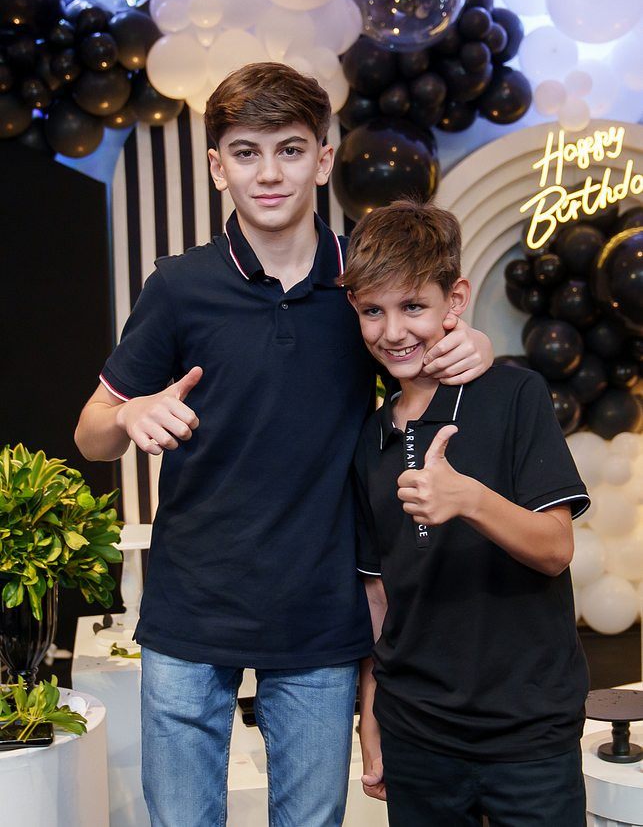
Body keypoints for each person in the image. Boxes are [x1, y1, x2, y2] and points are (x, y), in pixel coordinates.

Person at [74, 63, 493, 827]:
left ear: (323, 158)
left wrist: (475, 344)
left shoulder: (360, 287)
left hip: (319, 613)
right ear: (217, 167)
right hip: (191, 609)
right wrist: (129, 417)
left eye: (290, 149)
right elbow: (90, 431)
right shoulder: (179, 287)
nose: (268, 173)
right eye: (246, 152)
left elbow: (430, 356)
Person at [343, 200, 590, 827]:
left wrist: (469, 499)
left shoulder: (514, 395)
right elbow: (378, 595)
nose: (392, 331)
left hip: (529, 732)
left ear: (455, 299)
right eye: (372, 311)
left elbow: (555, 548)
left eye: (412, 307)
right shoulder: (369, 440)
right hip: (417, 733)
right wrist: (371, 715)